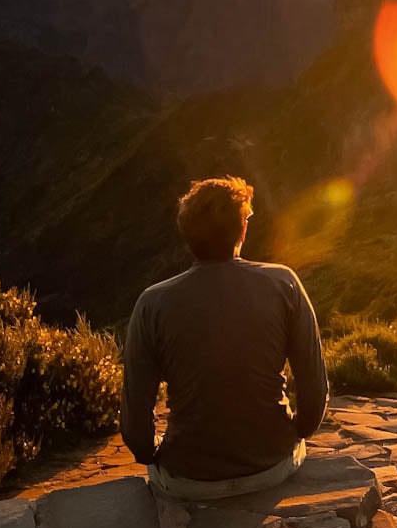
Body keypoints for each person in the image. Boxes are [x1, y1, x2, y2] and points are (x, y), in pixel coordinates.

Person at [121, 175, 328, 500]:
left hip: (187, 477)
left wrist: (152, 454)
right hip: (273, 466)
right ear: (242, 230)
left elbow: (135, 425)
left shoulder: (152, 303)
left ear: (186, 233)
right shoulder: (283, 284)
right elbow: (315, 391)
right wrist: (295, 433)